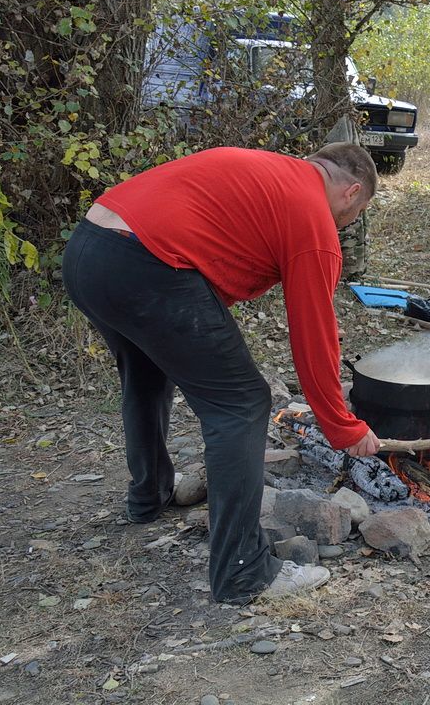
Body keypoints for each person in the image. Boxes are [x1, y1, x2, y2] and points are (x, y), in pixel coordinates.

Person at [62, 143, 382, 604]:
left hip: (88, 251)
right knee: (242, 403)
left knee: (147, 373)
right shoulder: (314, 217)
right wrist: (341, 425)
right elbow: (313, 335)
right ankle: (244, 571)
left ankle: (148, 497)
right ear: (351, 192)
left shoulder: (270, 172)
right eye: (356, 213)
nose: (346, 224)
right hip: (144, 262)